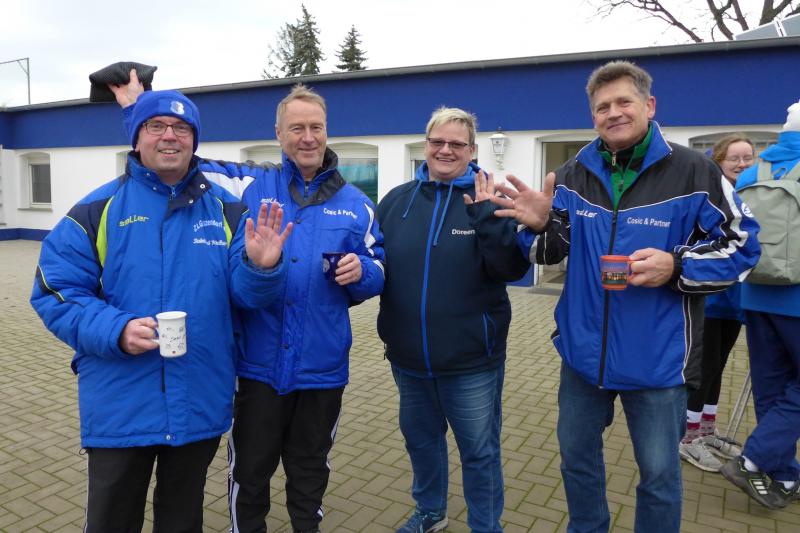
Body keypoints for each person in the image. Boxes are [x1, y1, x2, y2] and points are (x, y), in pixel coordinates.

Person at [490, 61, 760, 532]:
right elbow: (548, 253)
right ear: (592, 115)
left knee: (658, 476)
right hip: (582, 358)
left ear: (648, 106)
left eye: (623, 102)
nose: (613, 112)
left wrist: (676, 265)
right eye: (602, 107)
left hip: (658, 364)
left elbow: (744, 247)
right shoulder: (572, 173)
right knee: (577, 462)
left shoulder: (694, 171)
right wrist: (538, 225)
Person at [114, 74, 386, 532]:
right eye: (296, 128)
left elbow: (380, 265)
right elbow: (175, 155)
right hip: (257, 368)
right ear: (279, 134)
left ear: (327, 131)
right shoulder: (247, 185)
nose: (307, 137)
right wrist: (137, 111)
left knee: (310, 469)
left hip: (322, 369)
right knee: (250, 472)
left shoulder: (357, 203)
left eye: (315, 127)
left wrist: (363, 272)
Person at [30, 87, 291, 532]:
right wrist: (116, 330)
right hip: (121, 402)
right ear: (137, 138)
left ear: (194, 140)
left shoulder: (227, 210)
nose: (170, 135)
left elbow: (246, 297)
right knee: (112, 521)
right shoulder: (97, 209)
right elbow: (55, 290)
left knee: (181, 521)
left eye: (182, 128)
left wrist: (261, 268)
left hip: (198, 399)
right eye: (156, 126)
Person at [377, 107, 530, 533]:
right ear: (425, 145)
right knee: (422, 442)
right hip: (408, 360)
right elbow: (376, 265)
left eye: (457, 144)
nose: (445, 150)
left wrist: (486, 220)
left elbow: (510, 270)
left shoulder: (492, 200)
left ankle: (485, 525)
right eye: (437, 142)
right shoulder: (396, 201)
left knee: (479, 452)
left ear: (472, 150)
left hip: (471, 362)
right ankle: (431, 511)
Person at [719, 101, 800, 509]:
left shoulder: (753, 172)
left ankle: (782, 476)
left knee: (772, 387)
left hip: (755, 294)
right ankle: (752, 460)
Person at [678, 134, 754, 472]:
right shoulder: (708, 197)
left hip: (734, 300)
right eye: (734, 158)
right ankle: (687, 438)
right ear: (718, 162)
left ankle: (706, 430)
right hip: (708, 300)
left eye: (748, 158)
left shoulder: (747, 195)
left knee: (719, 366)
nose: (742, 164)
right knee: (704, 368)